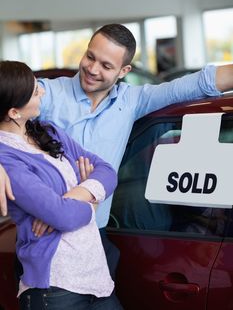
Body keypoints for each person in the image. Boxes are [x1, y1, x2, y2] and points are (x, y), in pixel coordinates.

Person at [1, 22, 233, 279]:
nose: (92, 69)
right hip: (46, 241)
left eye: (106, 66)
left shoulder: (132, 101)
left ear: (124, 71)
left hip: (96, 238)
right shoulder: (47, 94)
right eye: (90, 57)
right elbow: (4, 108)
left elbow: (195, 84)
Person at [0, 60, 122, 309]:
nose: (43, 92)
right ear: (14, 112)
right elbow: (63, 217)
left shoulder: (48, 131)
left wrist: (75, 195)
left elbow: (107, 171)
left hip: (95, 276)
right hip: (54, 286)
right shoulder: (6, 158)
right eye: (36, 91)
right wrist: (93, 201)